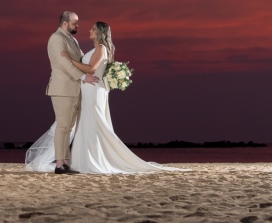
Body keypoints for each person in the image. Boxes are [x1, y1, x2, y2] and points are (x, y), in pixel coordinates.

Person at [27, 20, 183, 174]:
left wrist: (70, 59)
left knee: (93, 121)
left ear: (99, 33)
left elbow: (91, 68)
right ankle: (84, 158)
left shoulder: (101, 48)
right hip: (88, 89)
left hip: (93, 90)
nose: (89, 31)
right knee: (87, 121)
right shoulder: (96, 49)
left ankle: (94, 158)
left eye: (93, 29)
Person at [42, 11, 101, 174]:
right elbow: (63, 64)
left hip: (74, 89)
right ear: (65, 23)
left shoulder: (72, 40)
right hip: (62, 89)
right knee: (63, 126)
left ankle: (65, 162)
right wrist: (83, 76)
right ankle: (60, 164)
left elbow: (81, 60)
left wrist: (98, 63)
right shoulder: (56, 39)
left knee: (69, 127)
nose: (78, 25)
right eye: (75, 22)